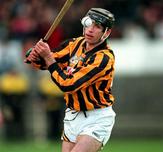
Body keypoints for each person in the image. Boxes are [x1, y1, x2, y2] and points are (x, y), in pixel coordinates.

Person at [25, 8, 116, 152]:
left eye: (97, 27)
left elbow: (69, 84)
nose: (91, 30)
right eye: (89, 24)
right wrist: (36, 56)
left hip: (97, 118)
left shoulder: (104, 58)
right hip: (72, 115)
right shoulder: (75, 44)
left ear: (107, 33)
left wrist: (47, 58)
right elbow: (51, 60)